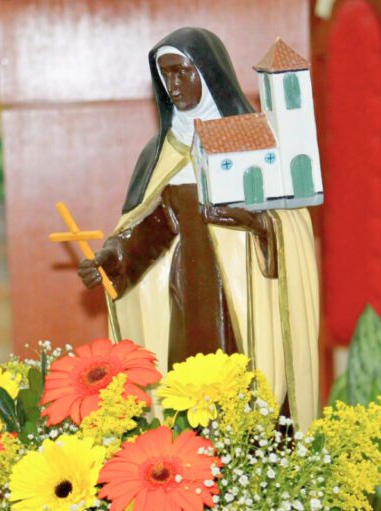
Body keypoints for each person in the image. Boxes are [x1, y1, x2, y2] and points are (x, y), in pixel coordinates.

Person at [78, 27, 321, 426]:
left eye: (181, 72)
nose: (173, 85)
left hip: (247, 290)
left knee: (251, 389)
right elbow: (153, 224)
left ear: (208, 72)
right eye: (165, 76)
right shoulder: (162, 151)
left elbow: (291, 220)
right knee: (188, 391)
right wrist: (113, 258)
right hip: (189, 290)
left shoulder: (257, 140)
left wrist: (254, 221)